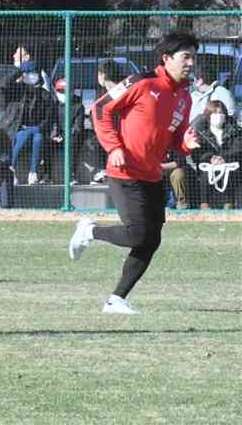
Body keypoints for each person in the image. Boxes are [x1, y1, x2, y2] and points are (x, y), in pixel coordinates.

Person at [68, 31, 201, 315]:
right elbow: (100, 108)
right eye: (185, 56)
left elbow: (174, 138)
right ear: (166, 59)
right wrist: (113, 146)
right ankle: (89, 230)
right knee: (139, 234)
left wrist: (185, 146)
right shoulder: (141, 82)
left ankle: (116, 300)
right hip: (124, 172)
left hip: (152, 175)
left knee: (151, 240)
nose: (191, 62)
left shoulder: (184, 97)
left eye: (193, 57)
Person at [0, 46, 55, 185]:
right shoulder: (18, 91)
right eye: (28, 73)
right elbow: (3, 84)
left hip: (37, 130)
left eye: (33, 72)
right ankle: (12, 169)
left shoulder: (45, 95)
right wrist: (21, 69)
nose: (31, 75)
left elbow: (48, 118)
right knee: (26, 134)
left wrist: (36, 128)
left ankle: (33, 173)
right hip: (18, 129)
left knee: (38, 137)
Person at [190, 100, 242, 209]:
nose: (218, 116)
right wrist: (211, 158)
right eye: (215, 113)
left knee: (232, 173)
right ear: (208, 115)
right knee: (205, 173)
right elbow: (197, 152)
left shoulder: (235, 130)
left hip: (230, 163)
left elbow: (238, 148)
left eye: (221, 113)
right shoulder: (200, 131)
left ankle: (229, 203)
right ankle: (204, 204)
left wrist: (224, 158)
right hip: (208, 163)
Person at [49, 78, 85, 184]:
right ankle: (47, 175)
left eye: (65, 91)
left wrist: (67, 134)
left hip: (71, 136)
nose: (62, 94)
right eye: (60, 91)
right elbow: (49, 121)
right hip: (56, 135)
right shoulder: (53, 105)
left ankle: (71, 175)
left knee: (73, 143)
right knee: (45, 143)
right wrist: (54, 133)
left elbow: (78, 126)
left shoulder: (78, 106)